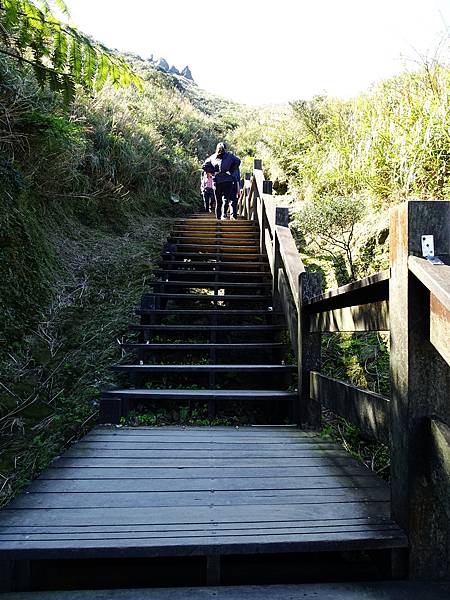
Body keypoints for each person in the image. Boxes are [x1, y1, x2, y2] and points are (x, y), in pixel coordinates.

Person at [202, 142, 240, 220]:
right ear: (225, 148)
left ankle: (219, 217)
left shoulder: (213, 157)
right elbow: (238, 161)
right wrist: (230, 171)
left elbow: (204, 166)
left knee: (218, 200)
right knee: (225, 198)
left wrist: (212, 172)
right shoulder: (230, 156)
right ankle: (224, 215)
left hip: (218, 180)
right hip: (227, 180)